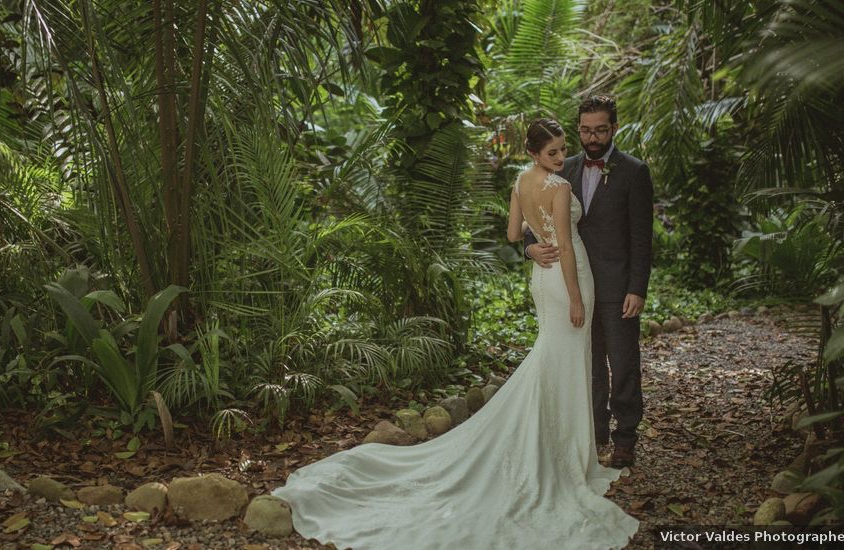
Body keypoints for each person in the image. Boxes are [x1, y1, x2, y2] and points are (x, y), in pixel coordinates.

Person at [271, 118, 639, 550]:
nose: (562, 158)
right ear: (535, 153)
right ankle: (561, 456)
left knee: (553, 358)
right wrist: (576, 297)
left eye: (562, 150)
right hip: (567, 278)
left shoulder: (520, 182)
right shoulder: (558, 189)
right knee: (563, 359)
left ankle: (562, 446)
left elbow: (511, 232)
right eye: (554, 152)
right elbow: (562, 239)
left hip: (542, 279)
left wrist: (531, 246)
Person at [524, 96, 653, 469]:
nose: (591, 137)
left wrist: (637, 288)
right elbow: (539, 220)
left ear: (613, 128)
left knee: (623, 363)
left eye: (599, 130)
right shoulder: (563, 167)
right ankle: (593, 433)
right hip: (572, 286)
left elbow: (642, 237)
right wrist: (530, 249)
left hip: (616, 288)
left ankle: (625, 438)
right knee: (588, 363)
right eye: (585, 130)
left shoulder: (634, 171)